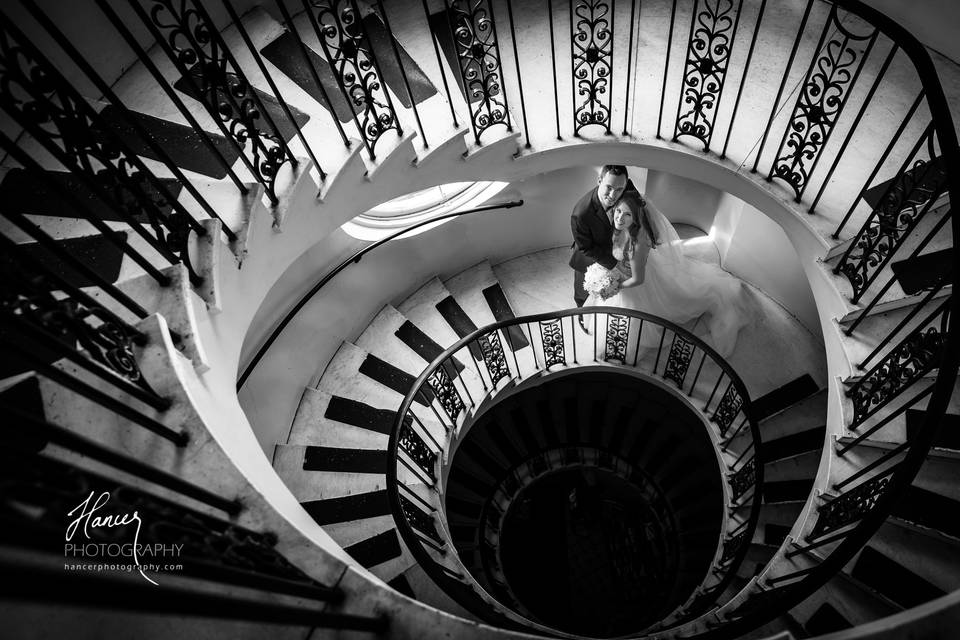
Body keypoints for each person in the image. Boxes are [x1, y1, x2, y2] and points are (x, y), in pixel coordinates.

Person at [593, 191, 749, 357]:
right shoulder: (618, 227)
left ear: (636, 218)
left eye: (627, 214)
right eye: (618, 211)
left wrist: (616, 287)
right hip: (622, 274)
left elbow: (638, 279)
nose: (620, 218)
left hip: (633, 283)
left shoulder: (638, 244)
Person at [569, 165, 634, 331]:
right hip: (589, 255)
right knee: (583, 291)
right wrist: (614, 264)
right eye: (609, 188)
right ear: (599, 181)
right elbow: (586, 248)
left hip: (615, 247)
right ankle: (582, 314)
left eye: (619, 189)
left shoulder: (627, 188)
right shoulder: (581, 213)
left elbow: (636, 208)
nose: (613, 195)